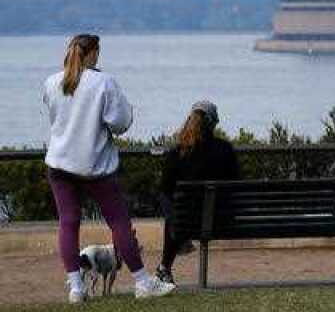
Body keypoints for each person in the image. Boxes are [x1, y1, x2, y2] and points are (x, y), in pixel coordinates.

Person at [42, 34, 176, 302]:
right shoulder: (104, 82)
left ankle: (76, 288)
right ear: (92, 53)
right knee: (119, 222)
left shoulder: (52, 82)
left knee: (68, 223)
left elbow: (56, 118)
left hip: (59, 164)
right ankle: (142, 282)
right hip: (95, 167)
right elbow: (120, 123)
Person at [155, 101, 240, 284]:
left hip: (187, 223)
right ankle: (165, 265)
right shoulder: (225, 150)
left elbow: (164, 191)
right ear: (213, 124)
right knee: (180, 216)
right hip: (222, 221)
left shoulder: (178, 153)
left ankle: (164, 268)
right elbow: (237, 184)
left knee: (175, 216)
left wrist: (173, 219)